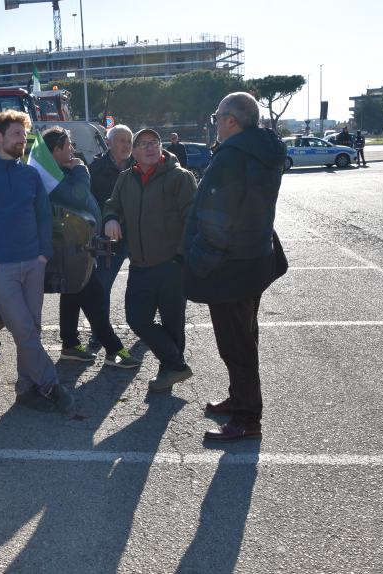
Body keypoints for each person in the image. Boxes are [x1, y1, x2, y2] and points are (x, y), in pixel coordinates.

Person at [182, 92, 287, 442]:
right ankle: (239, 399)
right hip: (254, 260)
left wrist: (197, 260)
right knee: (245, 337)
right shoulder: (263, 151)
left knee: (236, 344)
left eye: (216, 116)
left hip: (230, 267)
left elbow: (217, 219)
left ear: (231, 120)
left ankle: (246, 419)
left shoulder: (232, 157)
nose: (215, 122)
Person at [0, 110, 75, 414]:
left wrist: (43, 254)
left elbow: (43, 216)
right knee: (23, 328)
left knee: (32, 328)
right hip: (1, 268)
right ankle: (51, 384)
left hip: (33, 263)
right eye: (15, 134)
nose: (22, 140)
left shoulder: (30, 175)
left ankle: (26, 389)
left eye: (24, 135)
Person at [103, 128, 196, 392]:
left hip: (172, 265)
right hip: (140, 265)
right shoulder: (125, 178)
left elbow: (193, 219)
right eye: (143, 144)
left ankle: (168, 373)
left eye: (154, 143)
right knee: (137, 319)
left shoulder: (180, 177)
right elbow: (112, 204)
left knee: (173, 324)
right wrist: (110, 218)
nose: (150, 148)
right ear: (133, 151)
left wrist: (181, 256)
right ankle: (176, 365)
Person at [42, 127, 140, 369]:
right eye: (68, 146)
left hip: (78, 244)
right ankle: (113, 349)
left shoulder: (57, 171)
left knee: (73, 293)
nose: (72, 150)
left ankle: (70, 345)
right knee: (93, 295)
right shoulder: (53, 174)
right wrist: (80, 169)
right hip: (73, 246)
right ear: (56, 150)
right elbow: (78, 195)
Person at [88, 124, 134, 347]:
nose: (126, 145)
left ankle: (144, 324)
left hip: (137, 235)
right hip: (109, 239)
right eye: (121, 140)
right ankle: (99, 331)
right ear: (109, 142)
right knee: (102, 285)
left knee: (145, 282)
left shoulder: (140, 165)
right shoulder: (95, 168)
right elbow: (90, 202)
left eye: (129, 141)